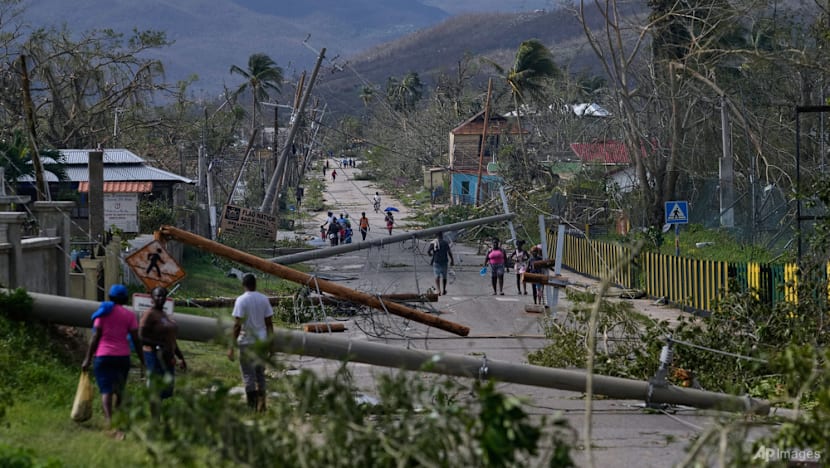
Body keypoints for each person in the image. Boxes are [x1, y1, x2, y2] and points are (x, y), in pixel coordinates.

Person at [81, 284, 144, 434]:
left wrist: (87, 359)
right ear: (125, 299)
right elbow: (136, 339)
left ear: (110, 297)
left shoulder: (103, 313)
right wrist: (143, 359)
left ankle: (109, 421)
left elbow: (95, 337)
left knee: (106, 391)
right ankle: (117, 419)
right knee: (119, 390)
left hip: (103, 356)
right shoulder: (129, 316)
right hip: (122, 357)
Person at [228, 273, 274, 412]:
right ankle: (262, 405)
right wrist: (271, 345)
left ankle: (252, 407)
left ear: (244, 285)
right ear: (255, 284)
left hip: (247, 342)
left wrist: (231, 346)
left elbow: (237, 325)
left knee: (248, 375)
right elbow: (269, 324)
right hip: (261, 342)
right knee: (260, 374)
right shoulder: (264, 299)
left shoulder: (241, 300)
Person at [139, 287, 186, 403]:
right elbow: (141, 337)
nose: (160, 298)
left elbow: (171, 340)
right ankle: (155, 418)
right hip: (154, 356)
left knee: (166, 389)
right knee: (156, 389)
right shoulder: (149, 314)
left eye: (163, 296)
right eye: (157, 296)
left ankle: (158, 416)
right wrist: (158, 344)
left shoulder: (164, 315)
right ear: (152, 298)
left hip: (167, 357)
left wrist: (180, 357)